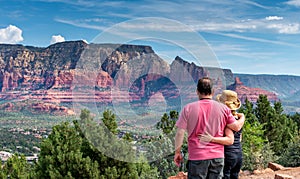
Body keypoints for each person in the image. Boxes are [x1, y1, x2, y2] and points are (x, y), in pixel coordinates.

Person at [174, 77, 245, 179]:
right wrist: (242, 117)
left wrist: (177, 152)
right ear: (213, 91)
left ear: (197, 91)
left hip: (197, 157)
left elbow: (180, 133)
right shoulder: (224, 109)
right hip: (218, 157)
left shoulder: (188, 108)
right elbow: (236, 127)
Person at [199, 90, 243, 179]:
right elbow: (239, 138)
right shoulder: (238, 119)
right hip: (238, 154)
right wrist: (243, 117)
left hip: (228, 155)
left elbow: (230, 140)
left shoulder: (227, 119)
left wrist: (211, 139)